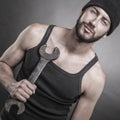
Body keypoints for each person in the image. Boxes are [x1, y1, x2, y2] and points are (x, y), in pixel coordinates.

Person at [0, 0, 120, 119]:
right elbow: (3, 63)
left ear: (106, 34)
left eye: (104, 22)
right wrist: (11, 84)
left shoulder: (95, 78)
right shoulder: (36, 33)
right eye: (93, 12)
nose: (93, 22)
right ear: (82, 11)